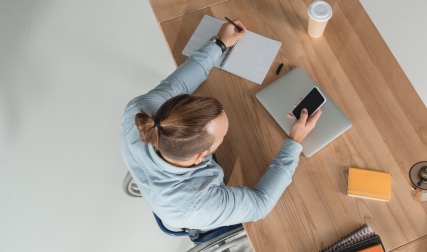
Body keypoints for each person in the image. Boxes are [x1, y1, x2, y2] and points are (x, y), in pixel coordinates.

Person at [120, 20, 322, 231]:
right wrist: (294, 141)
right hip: (189, 211)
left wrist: (220, 44)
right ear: (201, 156)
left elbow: (178, 84)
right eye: (222, 138)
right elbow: (260, 204)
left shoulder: (140, 111)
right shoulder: (197, 206)